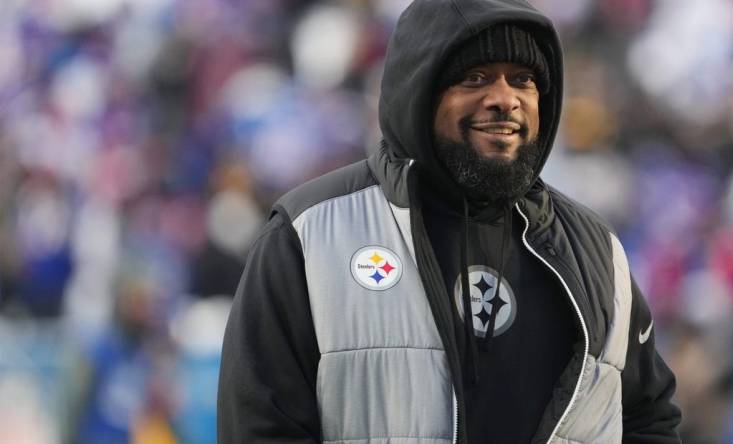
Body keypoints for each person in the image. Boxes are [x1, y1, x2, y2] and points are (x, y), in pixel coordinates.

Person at [217, 0, 683, 443]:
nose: (505, 99)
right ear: (418, 91)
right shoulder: (310, 234)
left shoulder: (598, 252)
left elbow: (647, 419)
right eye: (475, 77)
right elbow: (260, 425)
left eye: (523, 80)